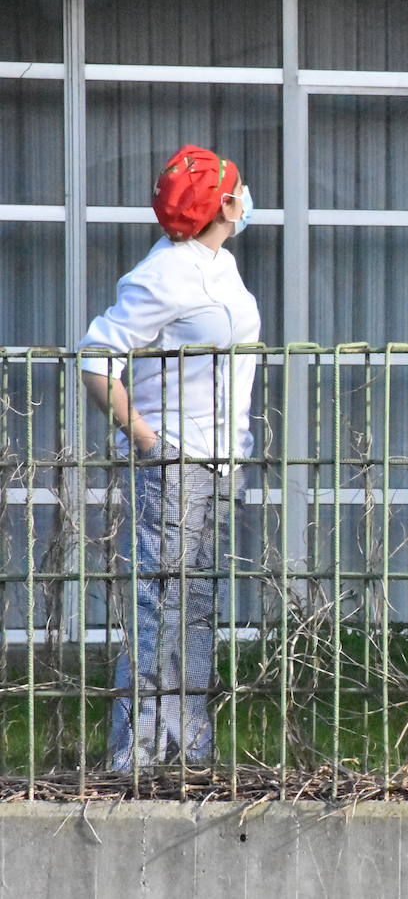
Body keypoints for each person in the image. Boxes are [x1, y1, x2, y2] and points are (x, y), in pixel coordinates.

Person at [79, 144, 260, 771]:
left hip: (218, 462)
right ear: (225, 204)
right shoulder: (164, 274)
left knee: (197, 605)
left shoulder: (220, 263)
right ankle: (141, 755)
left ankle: (189, 750)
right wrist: (148, 439)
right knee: (162, 601)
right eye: (239, 189)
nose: (246, 197)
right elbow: (97, 357)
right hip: (177, 462)